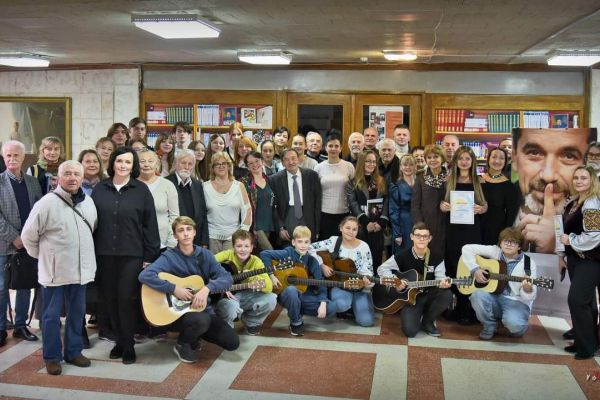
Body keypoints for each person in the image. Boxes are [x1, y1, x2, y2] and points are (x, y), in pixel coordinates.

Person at [21, 160, 98, 375]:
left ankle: (73, 352)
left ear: (82, 178)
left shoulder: (88, 202)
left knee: (77, 313)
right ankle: (52, 357)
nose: (72, 178)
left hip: (81, 270)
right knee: (51, 316)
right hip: (55, 272)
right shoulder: (46, 203)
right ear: (59, 178)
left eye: (76, 174)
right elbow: (28, 236)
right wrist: (45, 257)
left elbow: (92, 228)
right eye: (68, 174)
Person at [91, 146, 161, 364]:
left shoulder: (141, 190)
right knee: (109, 299)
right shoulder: (100, 188)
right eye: (120, 161)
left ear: (133, 166)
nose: (123, 165)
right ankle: (119, 342)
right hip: (103, 254)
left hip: (132, 255)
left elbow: (150, 225)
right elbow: (92, 223)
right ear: (113, 163)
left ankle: (129, 344)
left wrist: (150, 256)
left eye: (128, 162)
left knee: (126, 299)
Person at [138, 216, 239, 363]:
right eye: (181, 230)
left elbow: (227, 278)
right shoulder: (169, 257)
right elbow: (145, 275)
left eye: (188, 229)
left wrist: (207, 289)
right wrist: (173, 289)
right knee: (202, 320)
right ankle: (182, 343)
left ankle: (195, 334)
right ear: (175, 236)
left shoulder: (205, 255)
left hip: (201, 310)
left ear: (194, 232)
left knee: (232, 342)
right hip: (175, 313)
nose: (185, 233)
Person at [513, 128, 595, 253]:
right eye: (534, 152)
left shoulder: (592, 203)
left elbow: (594, 239)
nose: (548, 176)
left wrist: (558, 243)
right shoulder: (503, 197)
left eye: (569, 156)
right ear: (514, 158)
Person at [0, 140, 42, 347]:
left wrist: (28, 237)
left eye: (16, 155)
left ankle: (20, 325)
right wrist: (13, 237)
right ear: (3, 157)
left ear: (23, 157)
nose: (12, 159)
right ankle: (1, 328)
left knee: (25, 285)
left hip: (28, 244)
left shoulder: (32, 182)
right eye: (8, 155)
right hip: (3, 244)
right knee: (1, 287)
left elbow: (39, 210)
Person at [378, 223, 452, 337]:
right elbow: (382, 269)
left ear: (430, 238)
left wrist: (443, 283)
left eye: (425, 236)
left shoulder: (437, 258)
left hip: (428, 295)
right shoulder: (402, 256)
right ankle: (416, 315)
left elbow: (440, 278)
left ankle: (427, 321)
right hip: (410, 299)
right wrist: (396, 281)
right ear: (412, 236)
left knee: (446, 294)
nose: (421, 239)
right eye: (418, 235)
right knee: (410, 332)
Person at [462, 227, 537, 340]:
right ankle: (489, 325)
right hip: (493, 296)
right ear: (500, 243)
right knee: (477, 295)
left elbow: (530, 296)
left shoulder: (528, 263)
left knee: (515, 328)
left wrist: (527, 289)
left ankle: (516, 323)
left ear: (519, 246)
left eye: (513, 242)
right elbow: (467, 248)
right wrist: (475, 269)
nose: (509, 245)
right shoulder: (495, 251)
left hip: (515, 301)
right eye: (506, 241)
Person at [440, 146, 487, 324]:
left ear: (473, 161)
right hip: (453, 229)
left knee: (469, 264)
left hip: (472, 230)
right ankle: (458, 304)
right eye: (461, 158)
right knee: (453, 264)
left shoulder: (480, 181)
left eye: (468, 159)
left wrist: (481, 209)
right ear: (456, 161)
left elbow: (485, 205)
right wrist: (443, 206)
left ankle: (469, 307)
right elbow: (441, 204)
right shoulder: (448, 180)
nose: (464, 162)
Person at [260, 226, 336, 336]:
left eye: (306, 242)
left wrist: (323, 302)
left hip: (304, 295)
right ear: (293, 242)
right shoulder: (288, 253)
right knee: (291, 290)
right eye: (300, 242)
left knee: (332, 307)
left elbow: (321, 282)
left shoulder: (312, 261)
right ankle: (296, 322)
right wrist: (271, 275)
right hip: (286, 293)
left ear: (310, 243)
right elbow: (264, 254)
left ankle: (297, 310)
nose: (303, 245)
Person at [559, 165, 600, 359]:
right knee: (587, 301)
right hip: (575, 258)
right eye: (576, 177)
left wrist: (571, 240)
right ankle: (584, 342)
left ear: (592, 180)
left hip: (590, 260)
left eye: (584, 178)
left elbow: (594, 236)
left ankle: (587, 347)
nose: (579, 181)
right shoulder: (575, 201)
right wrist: (562, 255)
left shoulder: (592, 203)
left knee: (577, 300)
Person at [309, 216, 375, 327]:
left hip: (359, 288)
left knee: (366, 322)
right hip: (340, 285)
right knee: (341, 305)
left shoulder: (364, 247)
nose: (351, 232)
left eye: (354, 229)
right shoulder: (334, 241)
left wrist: (366, 280)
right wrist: (321, 265)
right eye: (347, 228)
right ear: (341, 228)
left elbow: (368, 270)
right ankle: (345, 305)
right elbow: (309, 247)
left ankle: (355, 305)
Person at [214, 230, 277, 334]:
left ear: (251, 248)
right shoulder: (227, 255)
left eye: (246, 246)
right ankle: (226, 328)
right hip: (226, 297)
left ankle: (251, 322)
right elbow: (207, 264)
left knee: (271, 299)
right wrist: (220, 282)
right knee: (231, 308)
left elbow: (269, 287)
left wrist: (252, 277)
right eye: (239, 246)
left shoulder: (256, 261)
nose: (243, 250)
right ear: (233, 247)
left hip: (246, 296)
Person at [270, 149, 322, 243]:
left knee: (307, 245)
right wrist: (280, 228)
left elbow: (317, 203)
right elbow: (273, 207)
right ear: (282, 163)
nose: (291, 162)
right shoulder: (275, 179)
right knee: (289, 245)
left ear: (298, 159)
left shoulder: (312, 176)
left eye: (293, 158)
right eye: (286, 159)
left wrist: (317, 229)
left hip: (308, 215)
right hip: (288, 216)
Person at [203, 152, 252, 253]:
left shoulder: (239, 186)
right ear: (212, 168)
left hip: (234, 238)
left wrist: (242, 233)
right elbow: (201, 214)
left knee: (230, 264)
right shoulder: (205, 187)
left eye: (224, 163)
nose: (221, 166)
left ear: (229, 166)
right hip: (211, 238)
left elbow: (247, 210)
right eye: (217, 164)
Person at [346, 150, 388, 267]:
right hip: (361, 226)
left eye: (374, 162)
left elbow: (386, 201)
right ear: (361, 162)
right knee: (361, 260)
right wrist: (366, 222)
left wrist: (382, 222)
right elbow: (353, 203)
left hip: (378, 226)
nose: (371, 164)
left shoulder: (381, 180)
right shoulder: (352, 182)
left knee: (376, 259)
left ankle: (375, 279)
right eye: (368, 161)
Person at [314, 132, 355, 239]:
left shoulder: (349, 166)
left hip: (344, 214)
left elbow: (354, 191)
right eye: (330, 146)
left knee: (343, 245)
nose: (333, 149)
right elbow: (315, 193)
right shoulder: (318, 167)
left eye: (336, 146)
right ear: (325, 148)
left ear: (341, 148)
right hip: (324, 214)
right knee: (326, 245)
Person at [165, 150, 209, 248]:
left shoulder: (197, 184)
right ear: (176, 164)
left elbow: (203, 214)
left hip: (195, 241)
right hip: (173, 240)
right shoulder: (166, 182)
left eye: (190, 164)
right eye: (183, 163)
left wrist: (204, 241)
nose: (187, 167)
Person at [411, 144, 448, 259]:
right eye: (429, 157)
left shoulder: (450, 177)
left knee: (444, 255)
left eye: (436, 157)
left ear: (442, 158)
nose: (432, 160)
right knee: (426, 256)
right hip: (426, 224)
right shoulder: (420, 177)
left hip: (446, 224)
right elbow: (415, 204)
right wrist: (419, 225)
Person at [137, 150, 180, 250]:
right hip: (135, 243)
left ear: (157, 164)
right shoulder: (131, 185)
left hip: (163, 243)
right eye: (142, 161)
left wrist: (171, 243)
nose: (146, 164)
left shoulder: (167, 185)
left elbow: (174, 216)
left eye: (150, 161)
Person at [481, 147, 518, 245]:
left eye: (501, 158)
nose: (497, 161)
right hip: (476, 228)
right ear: (488, 159)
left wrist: (505, 236)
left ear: (505, 162)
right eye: (494, 157)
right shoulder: (478, 180)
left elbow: (511, 215)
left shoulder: (509, 186)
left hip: (496, 231)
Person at [240, 152, 275, 251]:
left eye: (257, 161)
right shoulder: (243, 182)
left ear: (262, 161)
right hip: (254, 227)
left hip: (269, 224)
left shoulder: (270, 180)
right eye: (250, 163)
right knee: (270, 252)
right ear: (247, 166)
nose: (255, 165)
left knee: (261, 254)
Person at [390, 154, 416, 254]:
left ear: (415, 166)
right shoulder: (395, 186)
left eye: (411, 165)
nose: (408, 167)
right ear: (400, 167)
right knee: (404, 254)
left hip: (418, 222)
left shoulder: (419, 183)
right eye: (405, 165)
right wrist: (397, 234)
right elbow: (393, 211)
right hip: (404, 224)